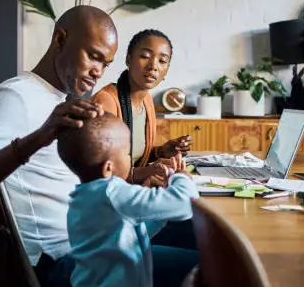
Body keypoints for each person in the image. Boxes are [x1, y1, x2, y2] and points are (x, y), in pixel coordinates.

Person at [0, 7, 196, 286]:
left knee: (201, 231)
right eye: (94, 56)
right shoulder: (15, 96)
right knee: (216, 264)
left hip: (93, 243)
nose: (98, 71)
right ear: (60, 39)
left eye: (106, 64)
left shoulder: (64, 102)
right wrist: (37, 139)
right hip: (67, 263)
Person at [57, 113, 199, 287]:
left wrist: (160, 206)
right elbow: (186, 202)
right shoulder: (114, 192)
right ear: (108, 167)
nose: (130, 159)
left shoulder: (83, 196)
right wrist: (181, 178)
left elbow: (130, 232)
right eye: (127, 154)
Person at [91, 29, 193, 186]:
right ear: (128, 59)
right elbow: (99, 169)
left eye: (162, 61)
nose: (153, 66)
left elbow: (134, 157)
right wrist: (149, 172)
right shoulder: (106, 102)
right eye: (145, 56)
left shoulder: (147, 101)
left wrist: (161, 152)